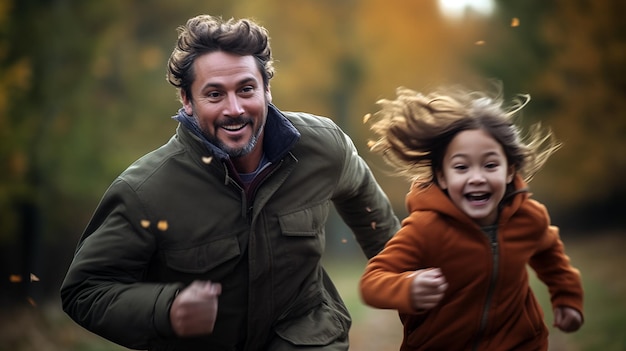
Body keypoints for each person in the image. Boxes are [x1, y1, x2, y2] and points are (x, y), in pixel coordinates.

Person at [60, 14, 400, 350]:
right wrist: (168, 308)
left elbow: (379, 225)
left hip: (308, 339)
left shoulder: (323, 147)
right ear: (187, 101)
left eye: (246, 89)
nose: (234, 108)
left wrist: (410, 292)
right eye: (214, 94)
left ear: (267, 89)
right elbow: (85, 290)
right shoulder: (145, 190)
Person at [359, 85, 584, 350]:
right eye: (461, 167)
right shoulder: (425, 229)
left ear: (509, 171)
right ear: (442, 177)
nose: (477, 177)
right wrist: (407, 287)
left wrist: (567, 297)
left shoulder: (528, 218)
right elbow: (372, 281)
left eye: (490, 165)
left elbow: (551, 256)